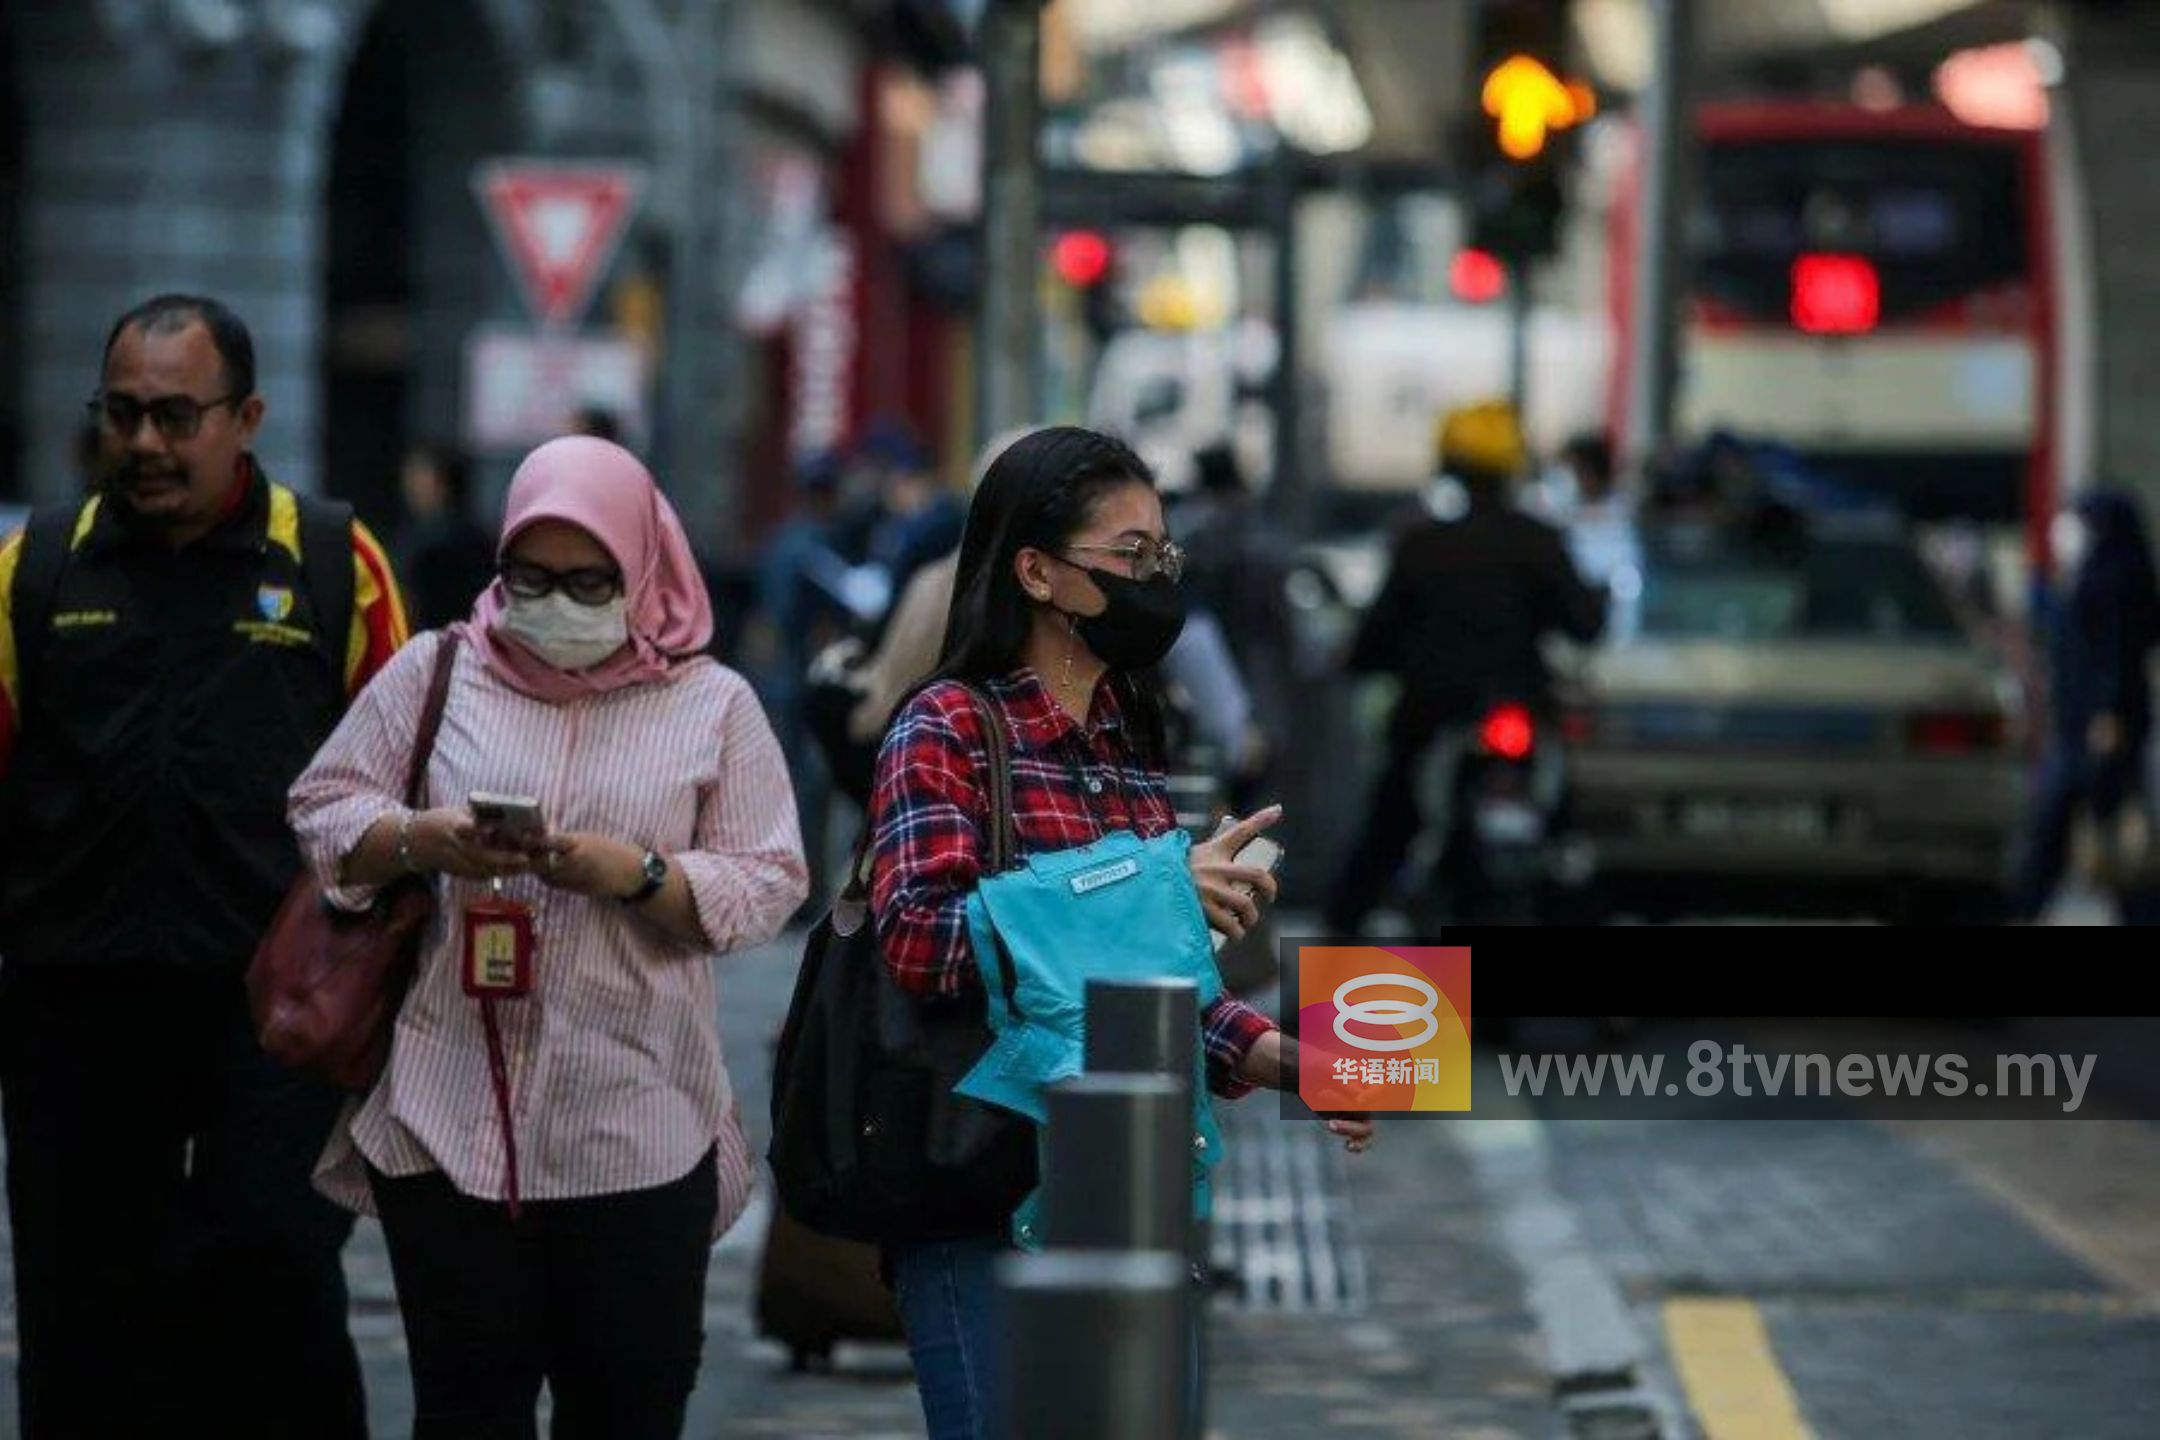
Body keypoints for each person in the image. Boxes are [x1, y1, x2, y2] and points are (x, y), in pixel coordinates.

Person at [288, 435, 808, 1436]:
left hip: (637, 1123)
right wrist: (420, 839)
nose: (556, 605)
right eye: (531, 577)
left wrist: (640, 874)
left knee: (626, 1408)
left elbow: (769, 877)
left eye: (586, 580)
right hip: (449, 1125)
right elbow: (324, 810)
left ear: (642, 572)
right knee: (465, 1410)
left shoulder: (713, 706)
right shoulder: (436, 672)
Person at [865, 426, 1372, 1439]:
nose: (1157, 581)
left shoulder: (1125, 740)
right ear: (1039, 572)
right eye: (1130, 557)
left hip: (1131, 1195)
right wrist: (1149, 882)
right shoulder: (948, 729)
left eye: (1165, 557)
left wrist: (1292, 1059)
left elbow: (1152, 979)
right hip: (987, 1184)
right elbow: (922, 939)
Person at [0, 293, 408, 1437]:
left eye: (177, 417)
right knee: (82, 1309)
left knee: (273, 1263)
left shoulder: (335, 564)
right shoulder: (38, 569)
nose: (145, 444)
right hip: (73, 1006)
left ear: (248, 417)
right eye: (124, 415)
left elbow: (408, 776)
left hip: (278, 1011)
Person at [1323, 400, 1607, 935]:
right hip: (1526, 720)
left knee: (1382, 844)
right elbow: (1585, 623)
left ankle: (1318, 1006)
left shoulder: (1422, 543)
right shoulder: (1539, 540)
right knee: (1568, 848)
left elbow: (1375, 638)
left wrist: (1358, 659)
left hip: (1432, 722)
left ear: (1450, 466)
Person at [2011, 488, 2160, 924]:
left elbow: (2118, 655)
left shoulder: (2116, 579)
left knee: (2095, 824)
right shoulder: (2094, 573)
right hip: (2080, 722)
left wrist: (2109, 715)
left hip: (2101, 727)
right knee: (2090, 824)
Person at [394, 439, 497, 631]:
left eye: (418, 475)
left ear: (442, 483)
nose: (409, 483)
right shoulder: (481, 535)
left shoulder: (428, 544)